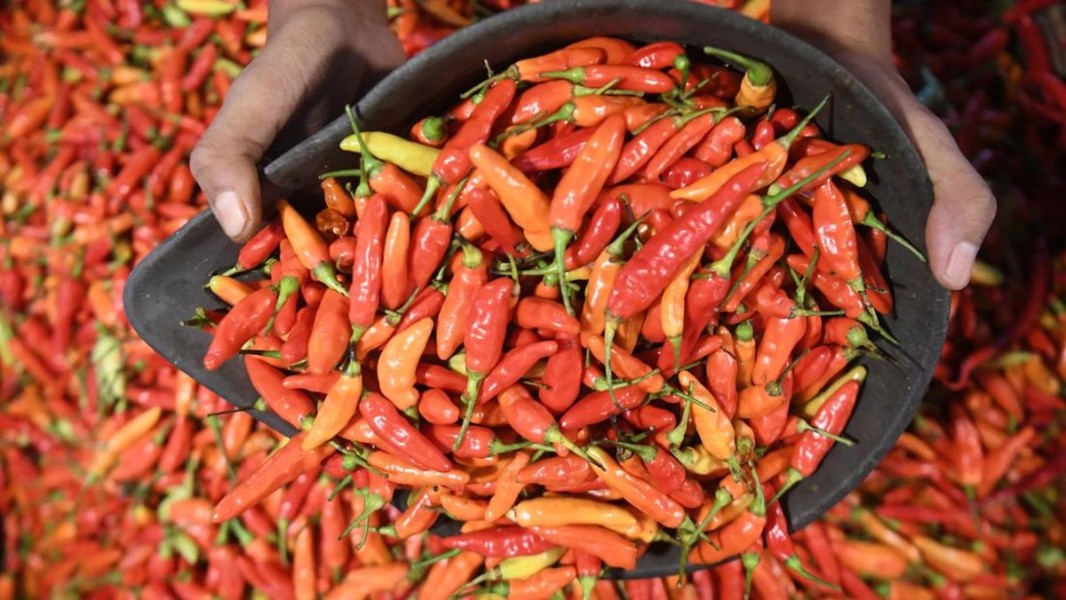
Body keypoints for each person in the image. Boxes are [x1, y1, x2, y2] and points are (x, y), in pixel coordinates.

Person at [190, 0, 995, 291]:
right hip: (512, 63)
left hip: (706, 40)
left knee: (665, 94)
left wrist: (833, 31)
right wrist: (325, 13)